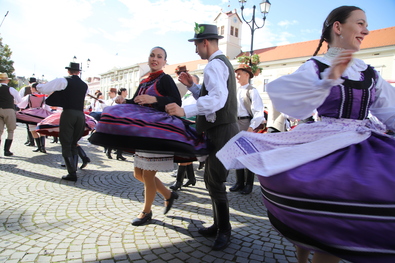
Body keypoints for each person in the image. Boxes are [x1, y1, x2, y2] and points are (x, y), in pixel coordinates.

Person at [217, 6, 395, 263]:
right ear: (338, 27)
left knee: (343, 216)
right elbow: (288, 99)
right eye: (360, 23)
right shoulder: (316, 66)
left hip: (363, 140)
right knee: (317, 208)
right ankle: (303, 249)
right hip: (325, 139)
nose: (366, 30)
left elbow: (390, 111)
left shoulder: (368, 72)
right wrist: (326, 80)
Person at [166, 24, 239, 251]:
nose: (196, 50)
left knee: (215, 181)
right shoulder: (219, 63)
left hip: (222, 130)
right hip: (222, 128)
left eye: (196, 44)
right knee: (210, 179)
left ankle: (224, 230)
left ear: (205, 42)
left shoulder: (214, 65)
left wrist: (184, 110)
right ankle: (218, 224)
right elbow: (215, 98)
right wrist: (193, 87)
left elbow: (217, 100)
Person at [35, 62, 88, 181]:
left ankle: (72, 173)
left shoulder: (63, 81)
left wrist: (37, 86)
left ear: (69, 71)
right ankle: (73, 170)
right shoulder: (85, 85)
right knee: (74, 142)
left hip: (69, 113)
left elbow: (44, 89)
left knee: (66, 142)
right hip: (80, 114)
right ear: (79, 72)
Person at [229, 64, 265, 195]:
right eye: (236, 73)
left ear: (247, 75)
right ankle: (239, 182)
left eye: (239, 73)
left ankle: (249, 184)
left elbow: (258, 111)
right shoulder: (235, 90)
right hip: (234, 122)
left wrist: (251, 126)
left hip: (246, 122)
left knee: (248, 155)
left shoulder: (252, 91)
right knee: (236, 154)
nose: (237, 76)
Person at [169, 67, 198, 191]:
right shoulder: (187, 94)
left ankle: (179, 182)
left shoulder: (198, 95)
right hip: (184, 124)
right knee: (185, 153)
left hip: (193, 125)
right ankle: (191, 178)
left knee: (183, 154)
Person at [16, 85, 52, 153]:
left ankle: (39, 147)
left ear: (33, 88)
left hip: (32, 113)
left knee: (33, 130)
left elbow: (21, 104)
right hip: (41, 113)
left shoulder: (29, 96)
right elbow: (47, 107)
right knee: (42, 130)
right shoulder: (43, 96)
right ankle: (43, 147)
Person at [0, 72, 22, 156]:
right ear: (7, 81)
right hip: (8, 109)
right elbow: (19, 101)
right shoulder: (11, 89)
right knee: (10, 130)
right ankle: (6, 150)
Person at [19, 77, 37, 147]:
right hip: (38, 109)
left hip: (27, 108)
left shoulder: (24, 88)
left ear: (29, 82)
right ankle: (38, 143)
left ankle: (31, 140)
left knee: (28, 126)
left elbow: (20, 98)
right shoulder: (40, 90)